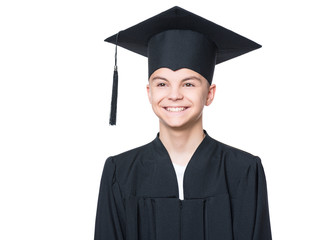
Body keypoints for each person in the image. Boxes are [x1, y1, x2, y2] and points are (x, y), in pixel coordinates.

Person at [95, 6, 272, 240]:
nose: (174, 95)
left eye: (188, 84)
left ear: (209, 94)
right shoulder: (120, 173)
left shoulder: (244, 172)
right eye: (162, 84)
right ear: (149, 93)